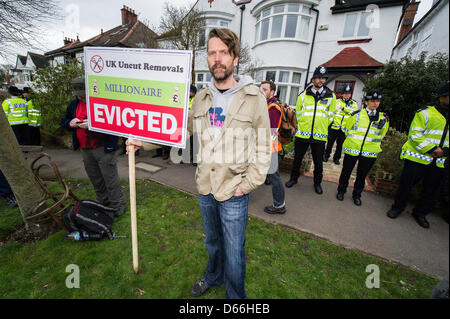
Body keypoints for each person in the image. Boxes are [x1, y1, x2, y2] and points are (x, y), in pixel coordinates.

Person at [126, 28, 271, 299]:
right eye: (212, 53)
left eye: (223, 53)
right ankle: (213, 276)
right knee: (213, 242)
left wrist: (248, 184)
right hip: (205, 186)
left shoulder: (253, 97)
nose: (217, 59)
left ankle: (235, 298)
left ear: (235, 58)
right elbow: (178, 131)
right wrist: (142, 143)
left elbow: (264, 146)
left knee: (234, 251)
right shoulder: (202, 98)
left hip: (234, 189)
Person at [61, 77, 127, 217]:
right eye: (78, 94)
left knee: (110, 178)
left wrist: (92, 124)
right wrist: (70, 123)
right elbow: (64, 121)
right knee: (95, 178)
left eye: (83, 93)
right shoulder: (73, 104)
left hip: (103, 147)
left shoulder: (102, 101)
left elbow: (113, 122)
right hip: (85, 149)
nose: (80, 96)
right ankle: (103, 203)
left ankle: (118, 206)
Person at [386, 82, 449, 229]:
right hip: (418, 158)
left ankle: (420, 213)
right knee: (406, 185)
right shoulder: (425, 113)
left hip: (440, 161)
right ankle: (397, 208)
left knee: (431, 190)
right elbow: (415, 134)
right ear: (442, 97)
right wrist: (433, 149)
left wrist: (444, 152)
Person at [285, 66, 337, 194]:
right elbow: (299, 114)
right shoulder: (302, 96)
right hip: (303, 134)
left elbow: (331, 115)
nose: (321, 80)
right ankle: (293, 178)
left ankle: (317, 184)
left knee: (318, 163)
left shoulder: (331, 96)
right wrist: (302, 126)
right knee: (297, 160)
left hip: (319, 136)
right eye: (319, 78)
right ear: (313, 79)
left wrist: (322, 125)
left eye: (323, 78)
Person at [336, 90, 389, 206]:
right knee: (346, 172)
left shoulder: (383, 118)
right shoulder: (357, 114)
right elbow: (346, 128)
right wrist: (353, 140)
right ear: (366, 102)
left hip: (369, 152)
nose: (375, 103)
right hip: (353, 148)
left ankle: (357, 195)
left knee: (361, 175)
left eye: (378, 101)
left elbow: (382, 134)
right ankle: (341, 191)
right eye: (372, 101)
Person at [260, 80, 286, 214]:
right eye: (261, 89)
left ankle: (279, 205)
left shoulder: (273, 108)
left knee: (274, 177)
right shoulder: (266, 105)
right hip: (266, 146)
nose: (262, 91)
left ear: (272, 92)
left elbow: (270, 130)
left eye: (265, 89)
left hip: (270, 147)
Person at [324, 85, 358, 165]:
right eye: (345, 93)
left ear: (350, 94)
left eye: (348, 93)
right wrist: (347, 110)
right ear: (342, 94)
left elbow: (353, 113)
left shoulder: (354, 103)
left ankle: (336, 158)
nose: (347, 95)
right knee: (330, 143)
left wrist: (343, 109)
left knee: (340, 145)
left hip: (344, 128)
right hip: (334, 126)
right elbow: (333, 111)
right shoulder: (337, 101)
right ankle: (326, 156)